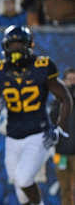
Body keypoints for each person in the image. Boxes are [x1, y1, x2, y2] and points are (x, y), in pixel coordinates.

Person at [0, 25, 73, 205]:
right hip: (12, 138)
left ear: (29, 45)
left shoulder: (42, 66)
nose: (16, 49)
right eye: (12, 45)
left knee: (24, 179)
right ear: (5, 47)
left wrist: (58, 128)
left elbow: (66, 98)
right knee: (19, 188)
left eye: (19, 44)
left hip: (38, 134)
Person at [50, 68, 75, 205]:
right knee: (65, 189)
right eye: (69, 79)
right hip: (61, 153)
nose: (72, 83)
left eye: (74, 79)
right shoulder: (57, 103)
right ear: (64, 81)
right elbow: (51, 124)